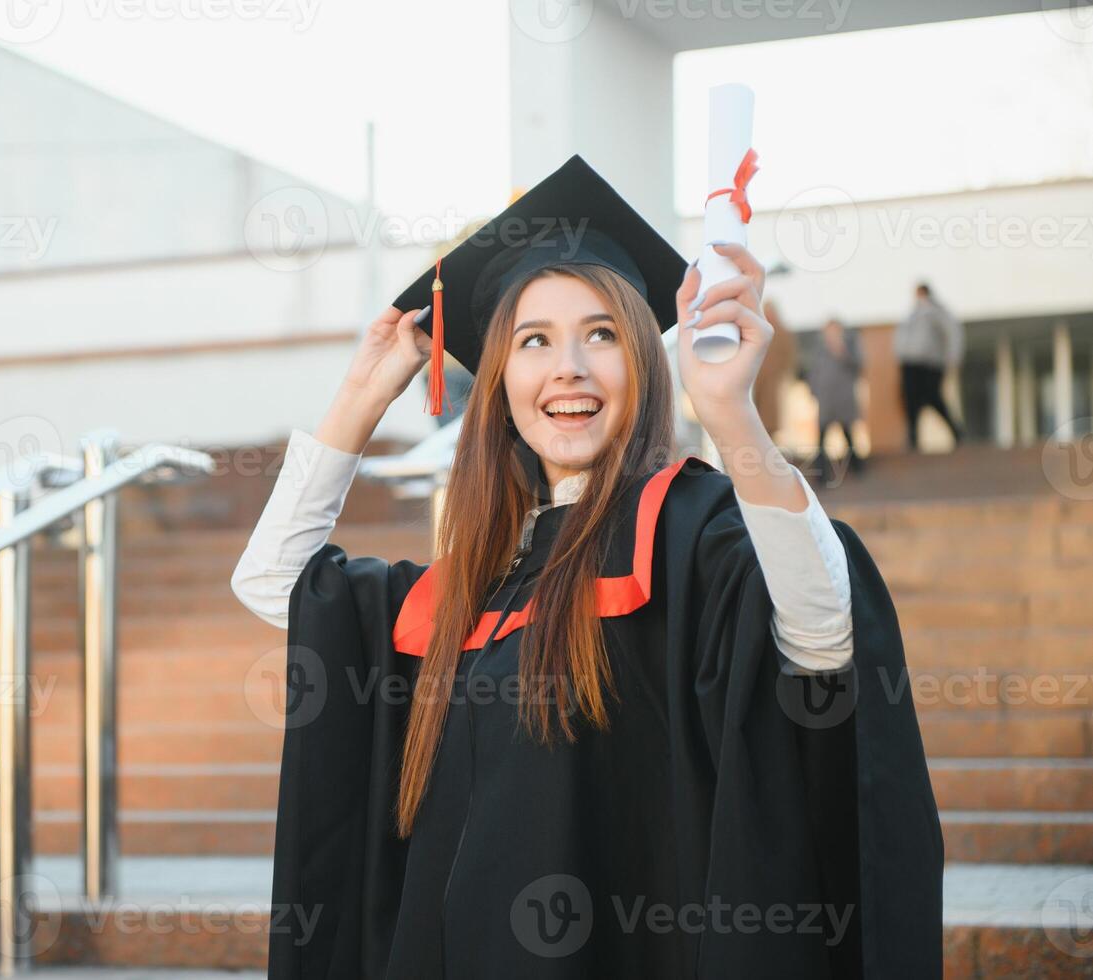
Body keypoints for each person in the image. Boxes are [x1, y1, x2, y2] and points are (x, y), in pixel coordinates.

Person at [231, 154, 942, 977]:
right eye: (533, 342)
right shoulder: (467, 585)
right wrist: (362, 394)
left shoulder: (688, 534)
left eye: (599, 334)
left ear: (641, 361)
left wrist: (731, 417)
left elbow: (825, 633)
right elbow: (272, 583)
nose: (566, 366)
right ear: (499, 385)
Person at [894, 282, 965, 451]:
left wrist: (953, 358)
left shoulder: (937, 312)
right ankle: (913, 438)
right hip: (910, 363)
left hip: (930, 363)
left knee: (933, 398)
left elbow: (952, 333)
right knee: (911, 401)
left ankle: (956, 431)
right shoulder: (911, 314)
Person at [805, 317, 865, 478]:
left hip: (843, 397)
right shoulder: (820, 348)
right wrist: (813, 391)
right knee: (822, 437)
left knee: (848, 434)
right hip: (826, 398)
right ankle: (821, 473)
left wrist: (842, 351)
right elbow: (813, 371)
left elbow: (858, 365)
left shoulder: (850, 344)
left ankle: (857, 467)